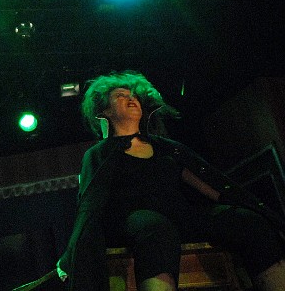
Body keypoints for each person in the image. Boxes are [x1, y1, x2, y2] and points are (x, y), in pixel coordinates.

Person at [56, 70, 285, 291]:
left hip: (179, 217)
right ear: (104, 110)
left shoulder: (167, 148)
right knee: (155, 228)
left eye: (133, 94)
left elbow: (211, 185)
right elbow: (89, 204)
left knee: (247, 221)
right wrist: (73, 253)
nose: (131, 98)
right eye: (120, 96)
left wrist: (248, 208)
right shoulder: (99, 153)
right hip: (135, 222)